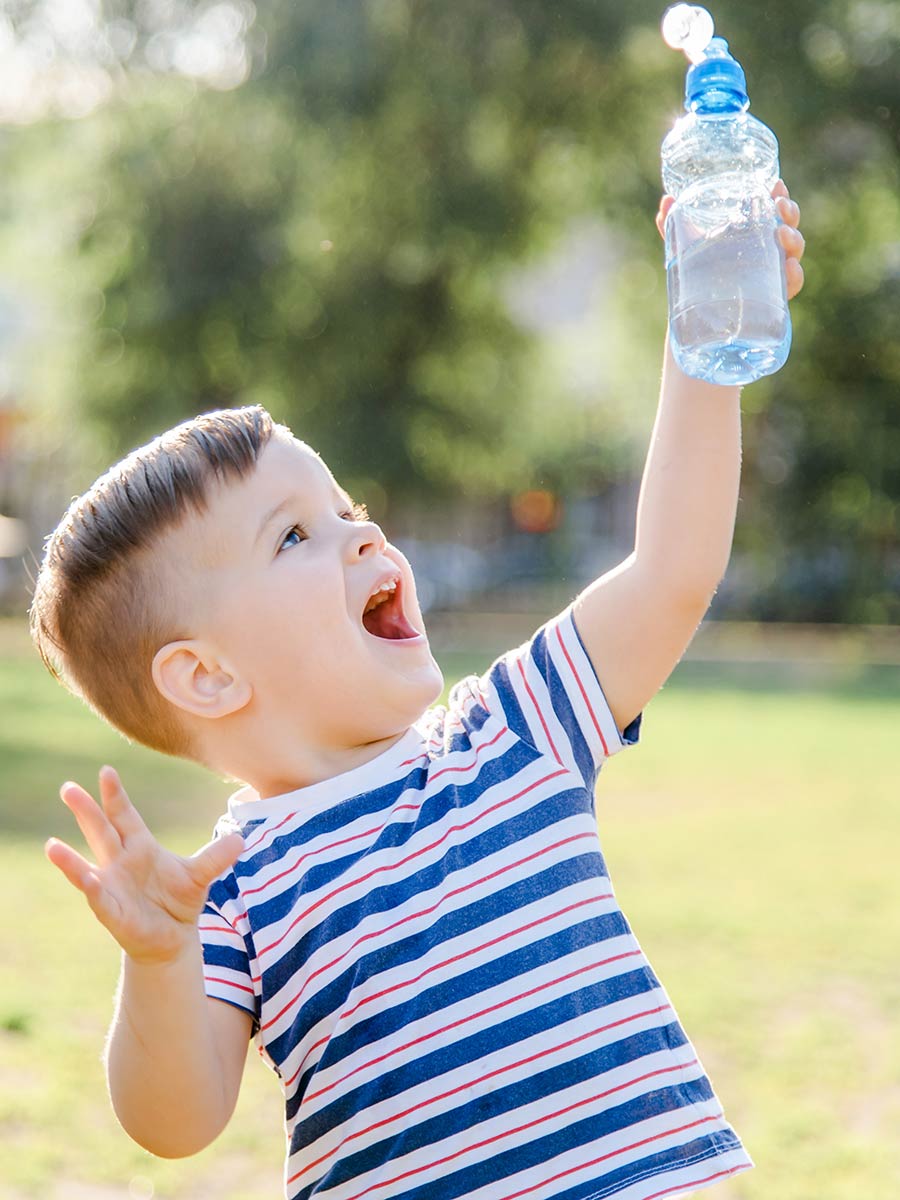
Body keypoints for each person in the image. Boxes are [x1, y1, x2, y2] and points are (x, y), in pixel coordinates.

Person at [34, 186, 805, 1200]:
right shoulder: (234, 890)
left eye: (344, 506)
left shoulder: (514, 732)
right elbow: (175, 1123)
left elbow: (671, 570)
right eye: (296, 536)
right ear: (209, 675)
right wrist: (160, 958)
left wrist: (702, 342)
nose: (362, 531)